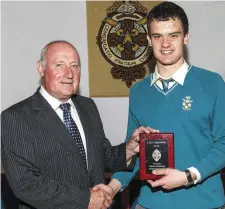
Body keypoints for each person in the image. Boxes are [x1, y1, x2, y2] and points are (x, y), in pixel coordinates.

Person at [93, 2, 225, 209]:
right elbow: (136, 152)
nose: (165, 44)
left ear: (186, 37)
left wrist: (187, 176)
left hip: (203, 203)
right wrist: (111, 188)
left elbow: (224, 143)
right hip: (150, 204)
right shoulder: (138, 91)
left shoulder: (212, 83)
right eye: (157, 36)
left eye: (173, 35)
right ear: (148, 40)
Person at [1, 40, 157, 209]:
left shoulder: (87, 106)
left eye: (75, 66)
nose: (69, 74)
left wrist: (128, 149)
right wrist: (85, 199)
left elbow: (101, 156)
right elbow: (25, 184)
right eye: (59, 65)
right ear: (40, 68)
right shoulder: (15, 118)